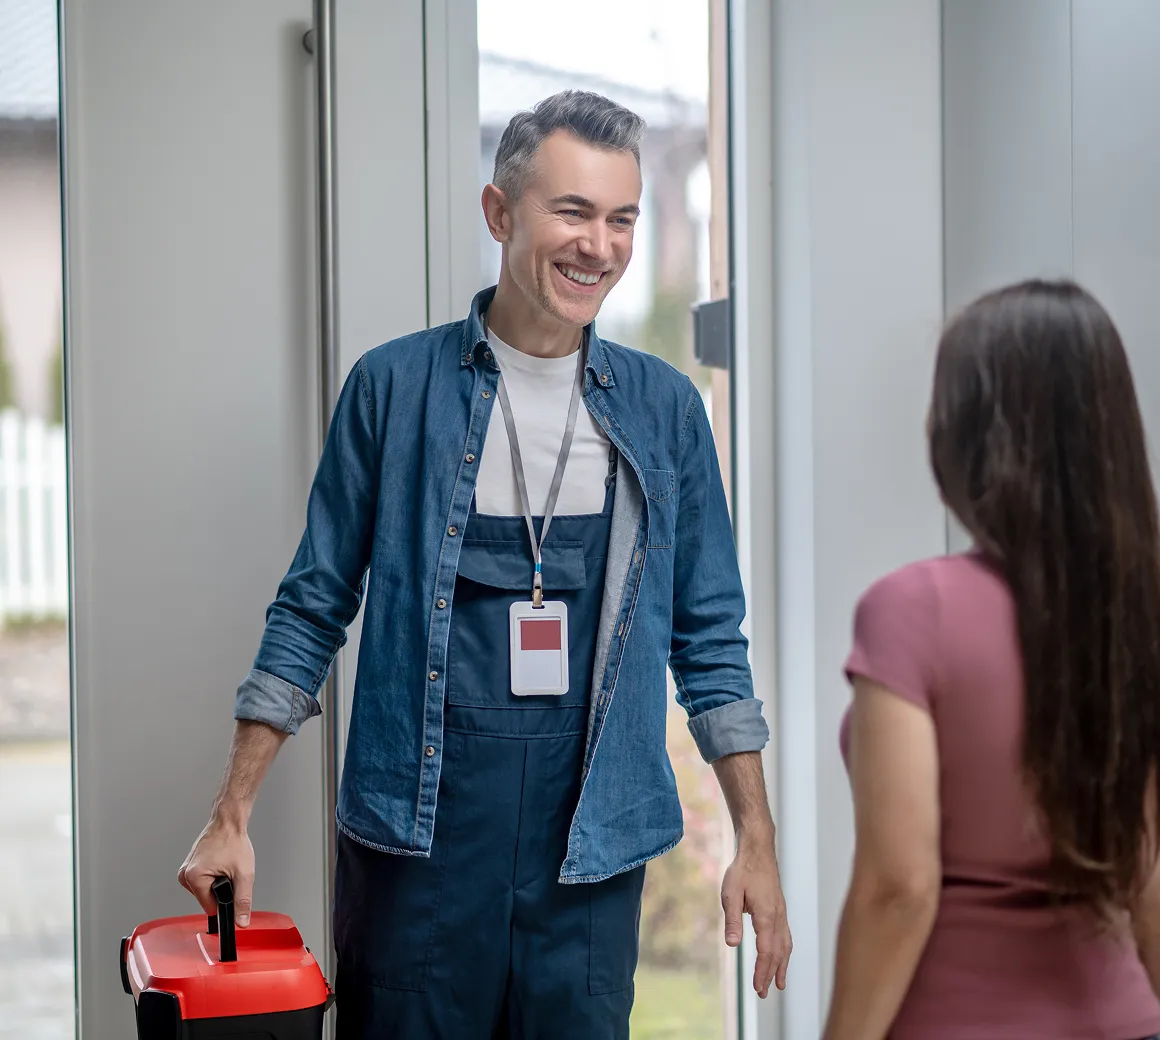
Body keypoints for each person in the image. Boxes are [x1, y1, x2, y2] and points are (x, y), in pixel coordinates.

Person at [178, 90, 791, 1038]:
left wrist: (757, 837)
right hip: (416, 849)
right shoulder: (393, 390)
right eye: (573, 212)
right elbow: (312, 607)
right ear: (499, 213)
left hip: (588, 857)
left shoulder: (665, 412)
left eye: (622, 219)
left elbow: (710, 636)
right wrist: (231, 813)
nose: (600, 246)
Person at [822, 279, 1160, 1040]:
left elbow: (900, 888)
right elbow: (1149, 875)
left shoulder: (913, 609)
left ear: (970, 432)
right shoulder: (1137, 614)